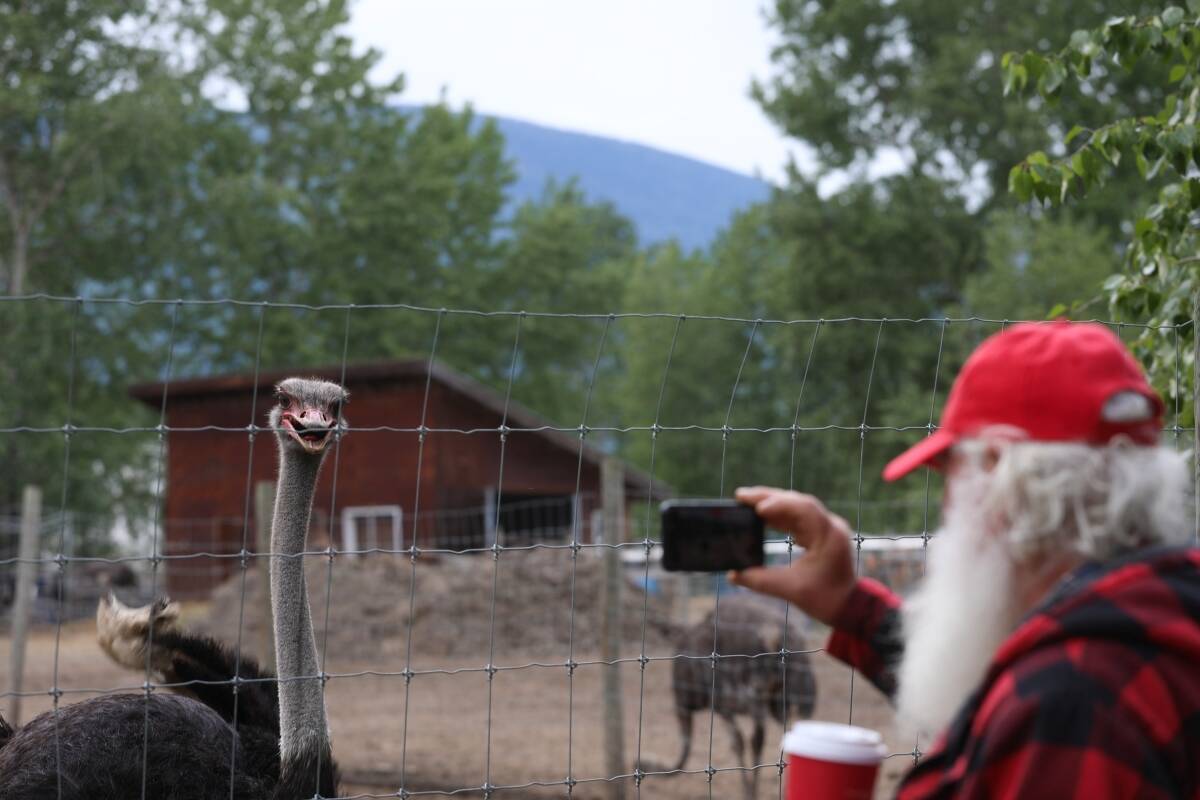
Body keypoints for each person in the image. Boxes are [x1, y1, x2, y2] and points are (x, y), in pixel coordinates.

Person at [730, 320, 1200, 798]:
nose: (949, 506)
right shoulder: (1162, 625)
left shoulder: (1069, 705)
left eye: (951, 473)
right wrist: (848, 604)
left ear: (999, 469)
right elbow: (980, 683)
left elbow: (1031, 703)